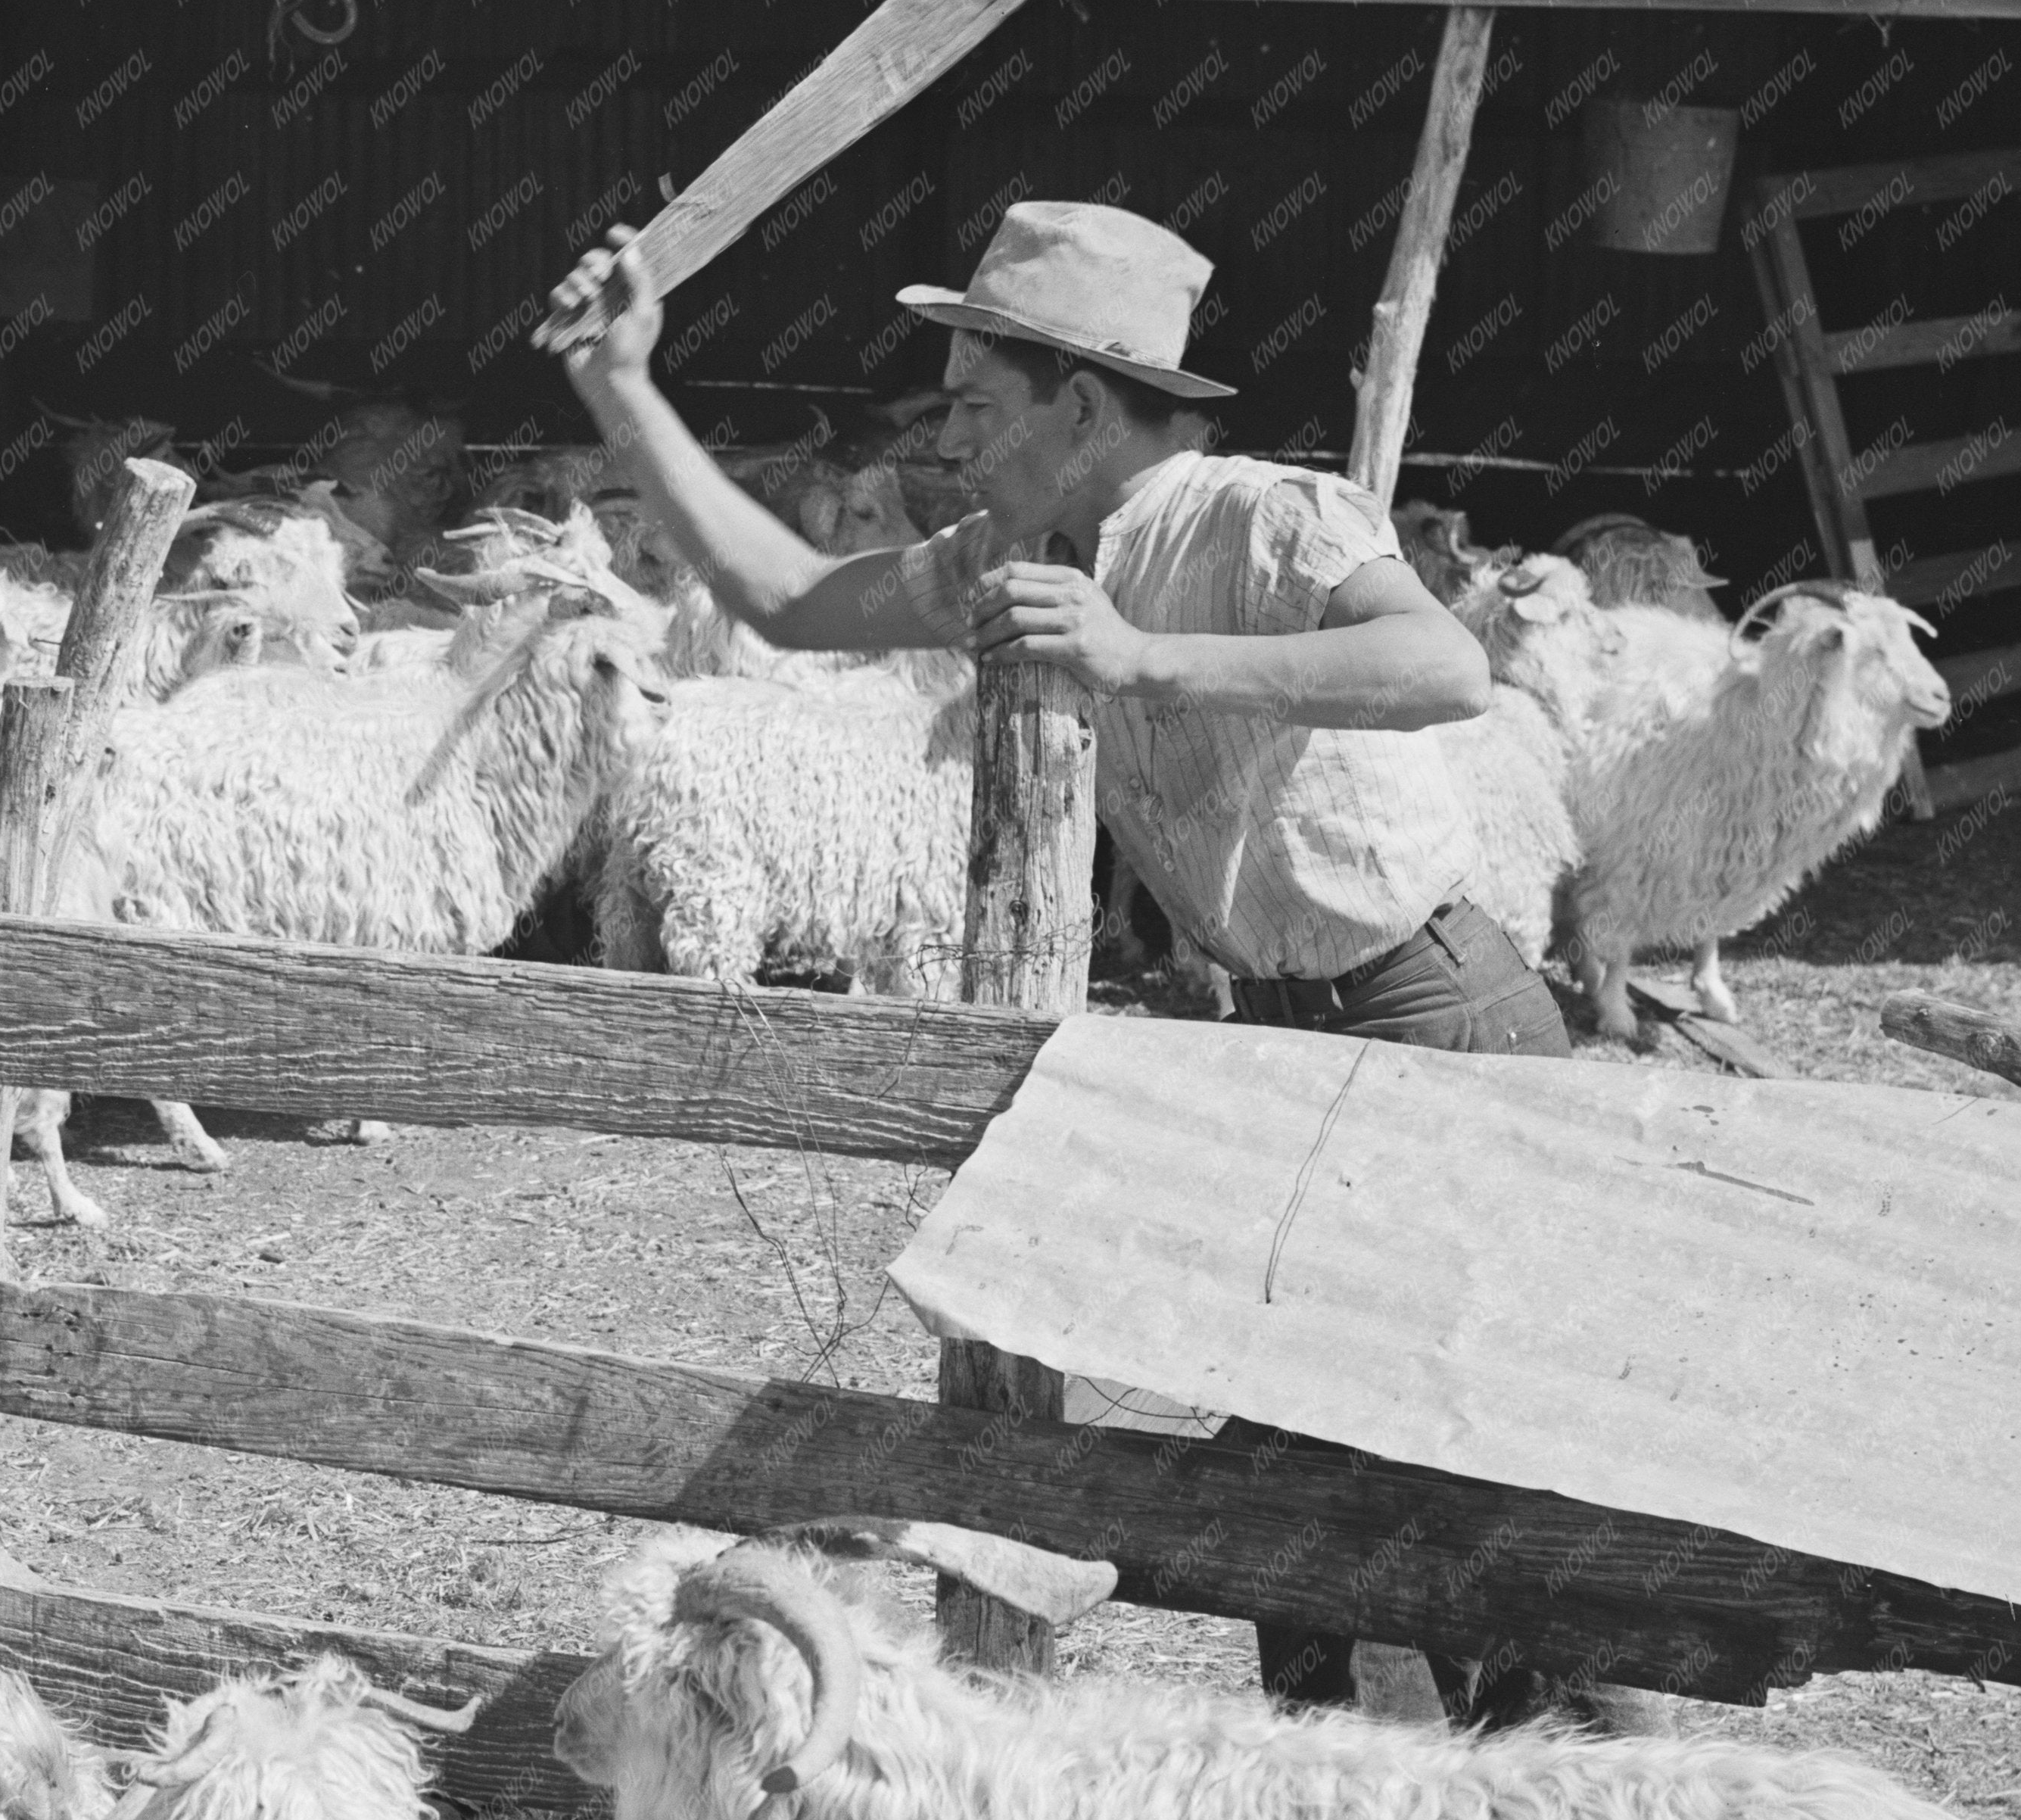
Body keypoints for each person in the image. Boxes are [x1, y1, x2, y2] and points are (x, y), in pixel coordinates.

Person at [537, 193, 1577, 1731]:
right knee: (1297, 1473)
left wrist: (1142, 657)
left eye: (973, 401)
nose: (945, 435)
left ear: (1081, 402)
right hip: (1278, 1044)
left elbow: (1438, 663)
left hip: (1435, 1018)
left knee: (1470, 1464)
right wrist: (621, 382)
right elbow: (788, 598)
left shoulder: (1260, 516)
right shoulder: (1030, 554)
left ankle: (1587, 1818)